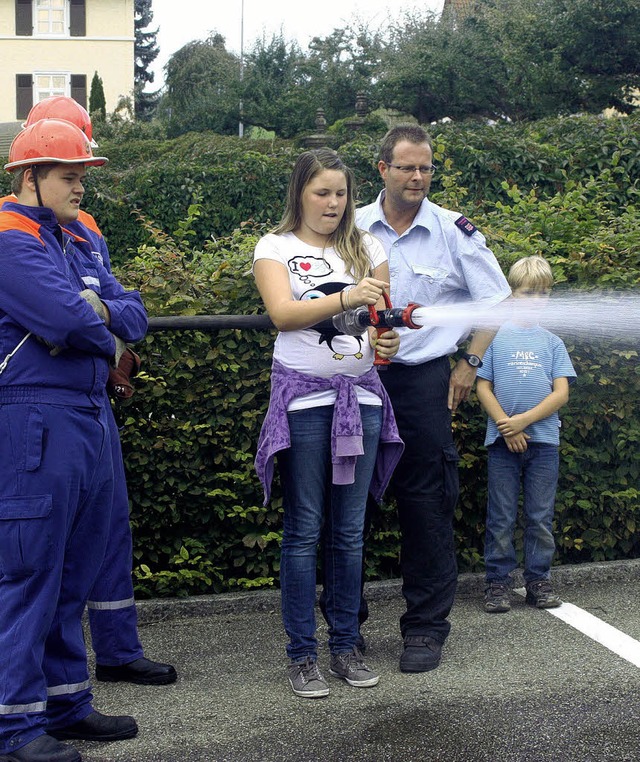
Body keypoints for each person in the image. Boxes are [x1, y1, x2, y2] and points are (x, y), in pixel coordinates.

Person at [3, 95, 178, 688]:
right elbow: (67, 320)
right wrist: (100, 322)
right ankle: (19, 726)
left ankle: (67, 702)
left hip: (82, 403)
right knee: (33, 569)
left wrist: (100, 313)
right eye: (71, 174)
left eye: (84, 173)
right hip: (39, 412)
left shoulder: (71, 234)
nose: (82, 186)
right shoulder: (14, 237)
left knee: (83, 553)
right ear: (32, 172)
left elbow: (129, 312)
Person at [356, 124, 512, 673]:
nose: (418, 177)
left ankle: (424, 628)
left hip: (422, 383)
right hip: (354, 381)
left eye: (425, 168)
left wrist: (470, 361)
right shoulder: (350, 227)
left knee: (426, 506)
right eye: (406, 167)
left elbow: (497, 298)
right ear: (383, 169)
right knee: (350, 503)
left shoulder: (452, 230)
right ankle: (346, 627)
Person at [253, 148, 404, 699]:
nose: (333, 204)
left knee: (349, 531)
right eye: (322, 193)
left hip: (360, 398)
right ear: (300, 193)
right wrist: (346, 296)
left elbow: (382, 323)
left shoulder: (369, 246)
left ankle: (345, 646)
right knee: (304, 531)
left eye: (341, 194)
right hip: (304, 404)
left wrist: (385, 338)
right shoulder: (276, 247)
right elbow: (282, 314)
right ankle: (301, 656)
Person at [476, 256, 576, 613]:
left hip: (545, 444)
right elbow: (483, 387)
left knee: (539, 516)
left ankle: (538, 581)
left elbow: (561, 393)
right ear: (512, 294)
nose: (537, 300)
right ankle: (497, 584)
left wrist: (524, 422)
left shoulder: (552, 343)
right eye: (528, 293)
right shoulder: (495, 338)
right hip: (502, 444)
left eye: (544, 294)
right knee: (501, 516)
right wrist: (506, 425)